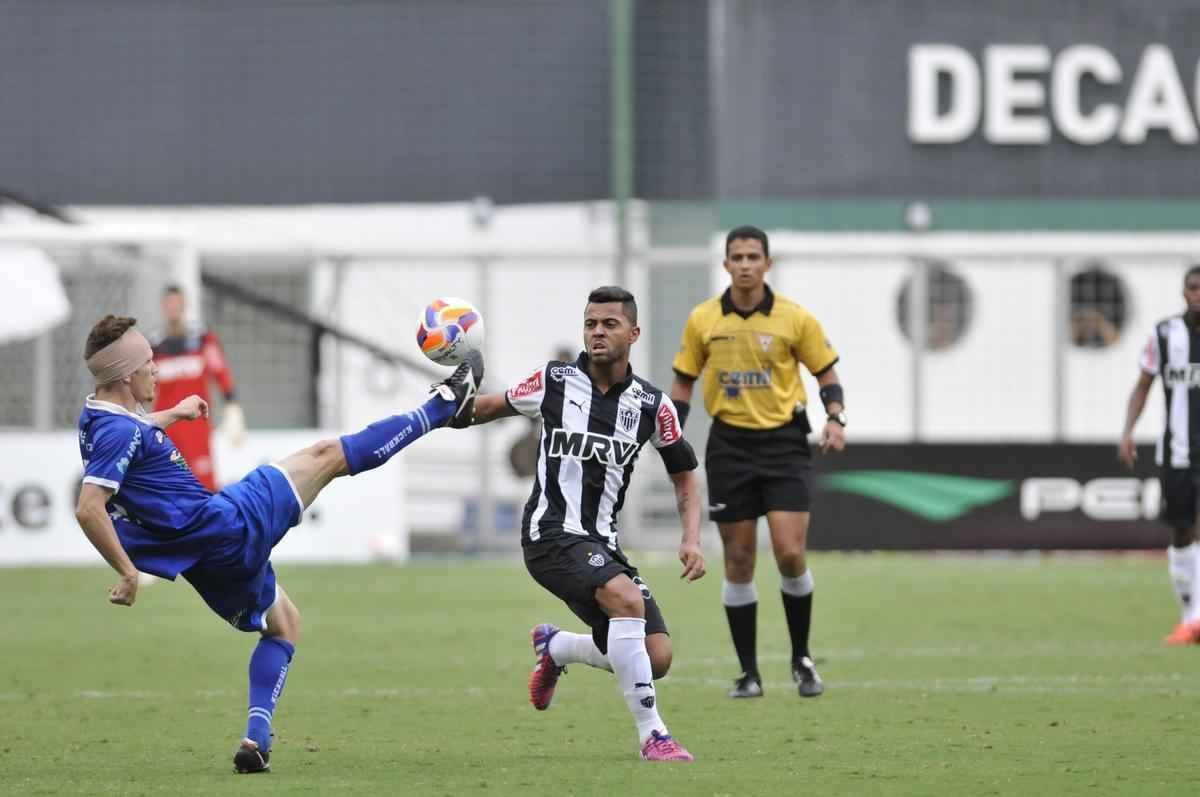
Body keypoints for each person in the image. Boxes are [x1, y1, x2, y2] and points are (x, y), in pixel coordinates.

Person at [74, 314, 482, 773]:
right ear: (127, 375)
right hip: (228, 527)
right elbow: (89, 507)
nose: (157, 370)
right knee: (326, 456)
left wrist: (173, 414)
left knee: (284, 624)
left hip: (204, 564)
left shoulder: (95, 416)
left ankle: (256, 739)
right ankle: (444, 404)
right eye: (149, 363)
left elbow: (131, 441)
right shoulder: (119, 431)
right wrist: (128, 573)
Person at [455, 286, 705, 763]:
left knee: (656, 657)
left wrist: (690, 539)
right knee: (626, 600)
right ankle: (654, 736)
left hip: (601, 544)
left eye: (609, 324)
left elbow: (685, 474)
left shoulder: (653, 406)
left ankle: (558, 647)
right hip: (549, 537)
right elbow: (488, 408)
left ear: (633, 333)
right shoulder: (554, 381)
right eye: (590, 324)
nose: (597, 333)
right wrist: (445, 408)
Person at [669, 225, 846, 700]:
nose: (745, 264)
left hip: (785, 445)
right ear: (725, 264)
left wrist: (835, 418)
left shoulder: (794, 318)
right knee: (740, 559)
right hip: (729, 447)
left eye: (753, 256)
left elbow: (826, 372)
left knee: (789, 552)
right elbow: (683, 381)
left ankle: (802, 659)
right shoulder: (703, 320)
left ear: (768, 264)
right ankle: (748, 674)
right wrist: (673, 430)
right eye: (737, 257)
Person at [1120, 265, 1200, 644]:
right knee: (1183, 530)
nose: (1198, 294)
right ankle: (1190, 618)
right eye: (1193, 288)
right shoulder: (1165, 334)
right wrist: (1128, 430)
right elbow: (1142, 385)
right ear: (1184, 292)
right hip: (1178, 453)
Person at [150, 285, 243, 492]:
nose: (173, 308)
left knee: (204, 485)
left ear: (184, 305)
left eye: (177, 302)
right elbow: (143, 385)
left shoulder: (202, 340)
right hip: (167, 429)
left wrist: (233, 405)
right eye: (169, 303)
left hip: (197, 427)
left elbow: (220, 371)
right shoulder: (154, 345)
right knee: (169, 486)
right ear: (163, 307)